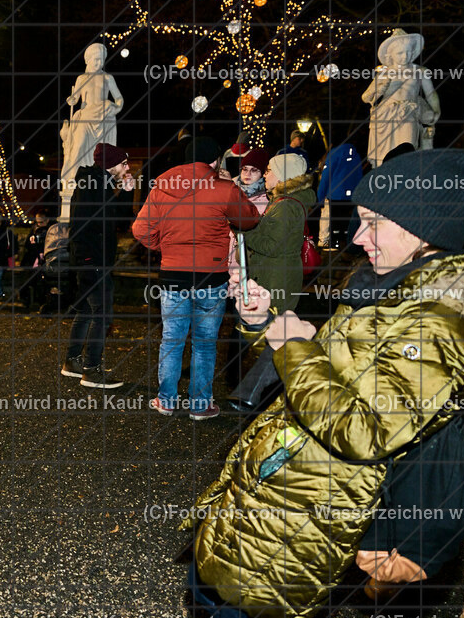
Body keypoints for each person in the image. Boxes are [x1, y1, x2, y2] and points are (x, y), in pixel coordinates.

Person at [189, 149, 464, 618]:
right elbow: (328, 369)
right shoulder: (386, 285)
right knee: (221, 595)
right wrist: (268, 322)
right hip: (283, 491)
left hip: (310, 516)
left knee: (245, 611)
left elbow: (364, 429)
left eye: (373, 223)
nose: (358, 237)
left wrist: (291, 345)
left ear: (425, 228)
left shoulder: (439, 324)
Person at [132, 136, 261, 419]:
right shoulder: (223, 188)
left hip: (173, 276)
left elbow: (141, 230)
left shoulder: (162, 186)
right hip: (210, 278)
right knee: (204, 343)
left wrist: (164, 246)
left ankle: (166, 400)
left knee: (171, 340)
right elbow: (249, 220)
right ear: (214, 161)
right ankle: (200, 405)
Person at [61, 143, 135, 389]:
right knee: (102, 315)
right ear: (110, 164)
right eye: (123, 164)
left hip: (88, 258)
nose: (126, 168)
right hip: (92, 259)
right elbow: (105, 220)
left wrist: (124, 192)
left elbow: (113, 221)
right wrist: (125, 193)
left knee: (85, 311)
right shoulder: (93, 184)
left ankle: (72, 362)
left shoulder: (96, 182)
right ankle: (91, 370)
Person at [238, 153, 315, 315]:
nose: (265, 174)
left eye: (269, 170)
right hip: (278, 274)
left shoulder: (285, 206)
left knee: (271, 327)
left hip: (276, 279)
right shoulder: (283, 200)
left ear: (282, 176)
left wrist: (244, 230)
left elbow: (272, 246)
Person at [59, 43, 124, 221]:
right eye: (94, 59)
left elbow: (119, 99)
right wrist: (72, 99)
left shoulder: (107, 78)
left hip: (102, 116)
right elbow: (76, 98)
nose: (97, 63)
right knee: (78, 146)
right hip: (85, 117)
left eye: (100, 60)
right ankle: (73, 179)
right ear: (87, 60)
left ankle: (98, 177)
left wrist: (114, 108)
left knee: (98, 153)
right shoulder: (82, 78)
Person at [363, 29, 441, 166]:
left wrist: (436, 110)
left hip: (408, 112)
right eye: (400, 53)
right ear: (391, 55)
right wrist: (379, 90)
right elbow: (366, 97)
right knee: (383, 157)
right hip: (384, 116)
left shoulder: (420, 71)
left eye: (408, 52)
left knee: (408, 149)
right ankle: (383, 182)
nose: (405, 56)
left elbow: (430, 93)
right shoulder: (384, 73)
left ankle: (405, 181)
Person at [316, 142, 363, 249]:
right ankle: (346, 244)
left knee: (335, 221)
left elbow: (326, 176)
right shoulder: (356, 154)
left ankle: (335, 244)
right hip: (350, 194)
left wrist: (320, 196)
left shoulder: (334, 154)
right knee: (346, 221)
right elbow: (359, 174)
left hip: (336, 193)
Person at [17, 209, 52, 312]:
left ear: (47, 220)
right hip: (33, 260)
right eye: (37, 222)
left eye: (41, 222)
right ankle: (26, 298)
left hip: (45, 259)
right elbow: (29, 246)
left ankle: (37, 300)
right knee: (29, 276)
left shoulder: (50, 231)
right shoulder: (34, 230)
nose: (39, 224)